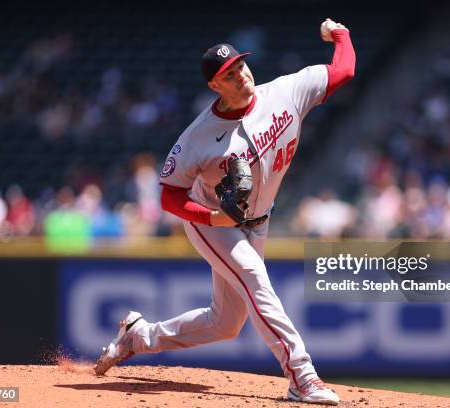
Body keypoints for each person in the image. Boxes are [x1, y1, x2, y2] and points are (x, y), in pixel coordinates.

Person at [95, 18, 355, 405]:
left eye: (240, 67)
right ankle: (302, 376)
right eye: (228, 75)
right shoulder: (197, 137)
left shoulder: (285, 92)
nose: (239, 76)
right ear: (214, 86)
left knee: (226, 323)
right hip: (213, 221)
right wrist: (214, 218)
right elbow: (170, 196)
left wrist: (340, 34)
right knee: (255, 278)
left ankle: (138, 336)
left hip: (258, 221)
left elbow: (343, 70)